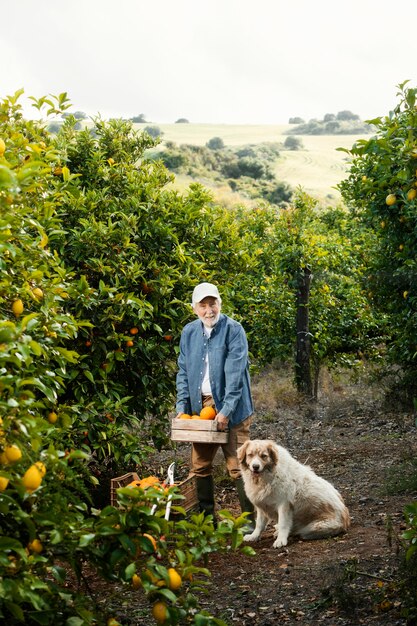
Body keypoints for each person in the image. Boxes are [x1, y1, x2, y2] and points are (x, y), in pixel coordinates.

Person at [175, 282, 255, 527]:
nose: (209, 310)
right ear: (194, 308)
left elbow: (235, 374)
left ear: (220, 303)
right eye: (203, 305)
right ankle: (208, 520)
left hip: (233, 405)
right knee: (200, 465)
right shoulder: (189, 333)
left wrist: (226, 411)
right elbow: (183, 372)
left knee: (238, 465)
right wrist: (182, 407)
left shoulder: (234, 330)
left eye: (213, 304)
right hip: (203, 409)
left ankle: (251, 522)